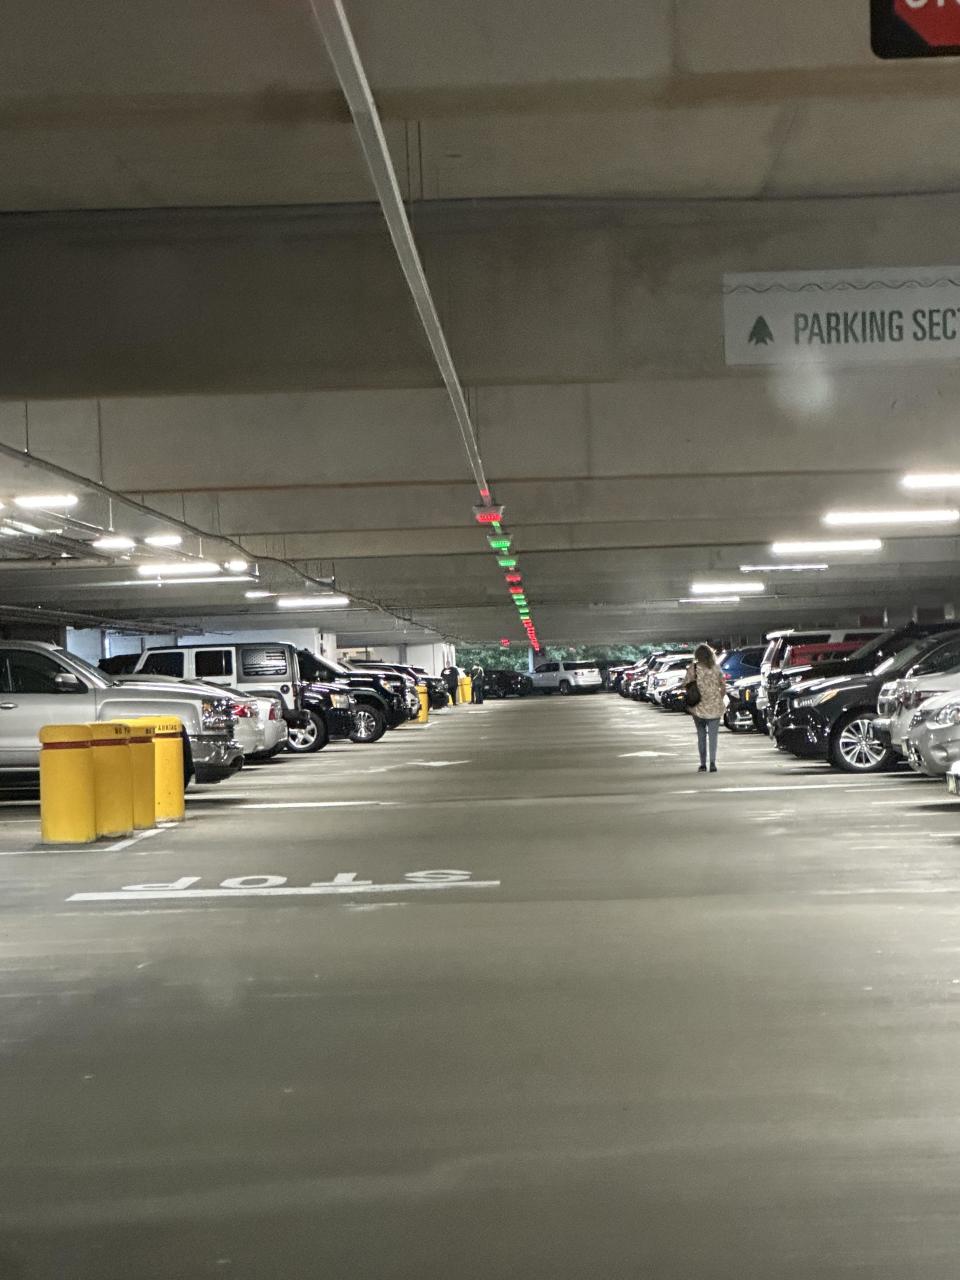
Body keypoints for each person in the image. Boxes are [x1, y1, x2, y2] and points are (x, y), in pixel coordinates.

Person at [684, 643, 726, 773]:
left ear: (697, 655)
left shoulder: (693, 668)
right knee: (713, 737)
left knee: (701, 736)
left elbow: (686, 684)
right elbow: (723, 686)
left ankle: (703, 764)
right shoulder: (716, 668)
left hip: (698, 707)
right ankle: (712, 763)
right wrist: (719, 697)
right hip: (715, 707)